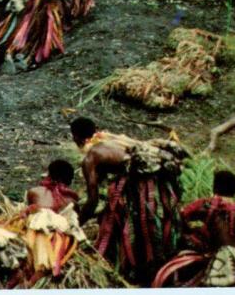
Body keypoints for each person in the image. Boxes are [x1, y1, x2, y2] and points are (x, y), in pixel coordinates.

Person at [72, 117, 188, 285]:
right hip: (159, 181)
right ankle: (161, 260)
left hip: (145, 186)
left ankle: (145, 270)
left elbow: (93, 200)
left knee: (141, 226)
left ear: (76, 137)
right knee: (156, 221)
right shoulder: (111, 139)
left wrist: (76, 224)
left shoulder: (91, 157)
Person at [154, 170, 235, 287]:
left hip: (217, 258)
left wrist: (190, 231)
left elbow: (180, 217)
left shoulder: (207, 205)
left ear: (215, 187)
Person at [14, 160, 85, 278]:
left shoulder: (34, 191)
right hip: (46, 236)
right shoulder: (71, 200)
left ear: (49, 175)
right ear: (69, 180)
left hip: (35, 233)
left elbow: (29, 211)